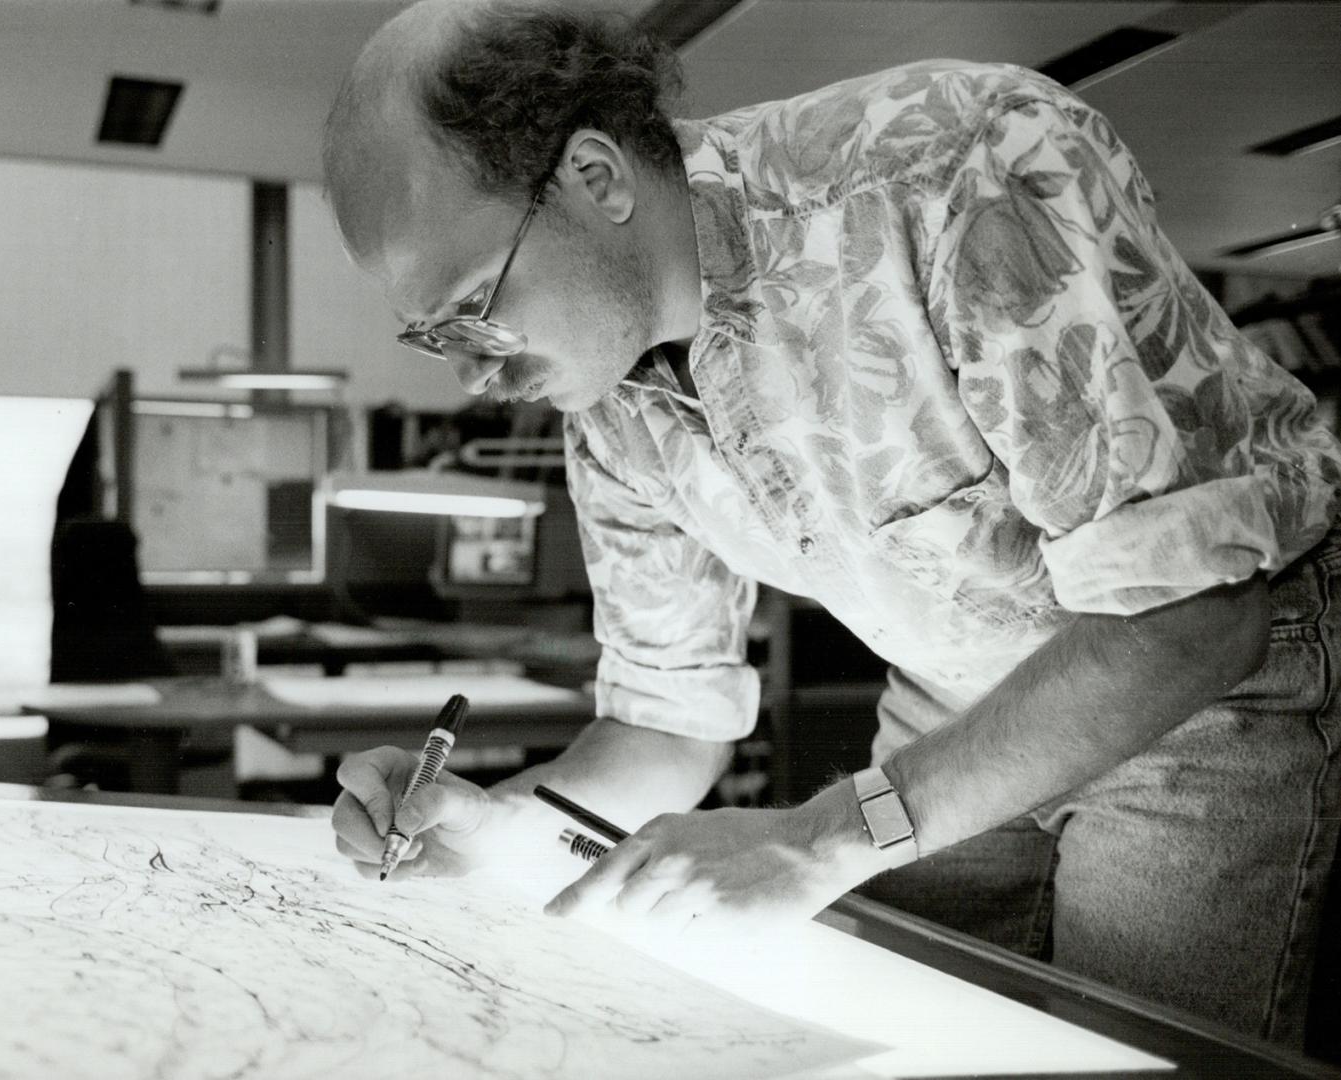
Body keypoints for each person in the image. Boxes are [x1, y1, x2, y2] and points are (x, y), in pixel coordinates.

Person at [321, 0, 1341, 1047]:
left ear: (595, 178)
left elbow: (1192, 618)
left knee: (1126, 1053)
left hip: (1198, 696)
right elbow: (668, 723)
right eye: (429, 337)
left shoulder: (952, 170)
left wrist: (823, 836)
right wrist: (505, 828)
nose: (472, 372)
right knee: (898, 1032)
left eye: (473, 307)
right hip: (949, 703)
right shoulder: (606, 399)